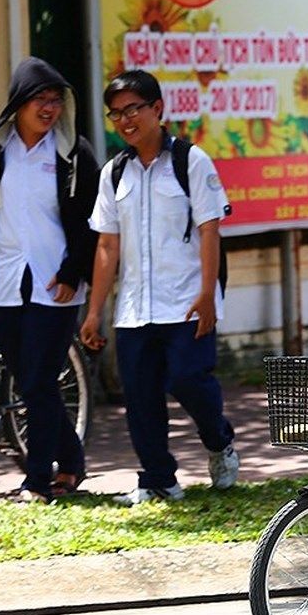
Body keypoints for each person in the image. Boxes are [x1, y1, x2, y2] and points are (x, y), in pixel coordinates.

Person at [0, 57, 99, 503]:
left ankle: (38, 482)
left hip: (57, 285)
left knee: (36, 382)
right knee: (33, 380)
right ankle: (72, 464)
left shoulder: (72, 152)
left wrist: (74, 273)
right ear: (19, 103)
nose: (49, 109)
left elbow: (92, 221)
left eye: (55, 100)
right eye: (40, 99)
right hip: (6, 281)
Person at [80, 70, 238, 505]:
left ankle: (219, 441)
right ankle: (157, 479)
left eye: (133, 109)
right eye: (116, 114)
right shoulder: (114, 173)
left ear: (157, 109)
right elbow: (107, 245)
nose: (126, 120)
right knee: (141, 396)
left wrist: (208, 293)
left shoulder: (191, 161)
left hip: (187, 301)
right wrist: (95, 311)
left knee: (189, 379)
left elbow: (210, 230)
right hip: (134, 308)